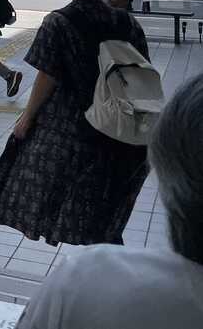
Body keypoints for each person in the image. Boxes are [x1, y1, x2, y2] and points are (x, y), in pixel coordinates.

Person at [0, 0, 151, 247]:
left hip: (72, 131)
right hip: (120, 130)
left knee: (61, 204)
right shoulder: (127, 22)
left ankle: (84, 275)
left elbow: (47, 75)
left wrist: (26, 118)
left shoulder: (59, 21)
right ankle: (105, 264)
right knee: (103, 213)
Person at [15, 73, 203, 329]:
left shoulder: (87, 283)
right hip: (119, 146)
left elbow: (47, 71)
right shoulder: (129, 30)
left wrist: (28, 116)